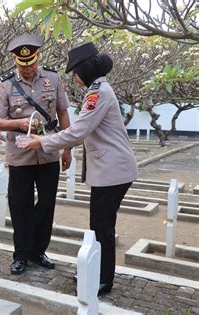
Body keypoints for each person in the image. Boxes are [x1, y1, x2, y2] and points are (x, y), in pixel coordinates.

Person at [22, 42, 138, 295]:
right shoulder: (98, 90)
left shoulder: (98, 93)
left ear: (85, 69)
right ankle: (95, 270)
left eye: (75, 71)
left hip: (113, 171)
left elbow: (78, 131)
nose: (73, 77)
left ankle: (103, 279)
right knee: (99, 225)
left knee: (102, 227)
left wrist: (41, 141)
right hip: (111, 169)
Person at [0, 33, 72, 275]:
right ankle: (21, 254)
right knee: (20, 205)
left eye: (32, 63)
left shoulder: (53, 78)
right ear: (16, 61)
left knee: (47, 203)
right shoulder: (4, 84)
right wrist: (19, 123)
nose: (29, 69)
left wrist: (67, 148)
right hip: (20, 153)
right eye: (23, 65)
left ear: (38, 58)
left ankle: (38, 250)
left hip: (48, 150)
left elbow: (63, 112)